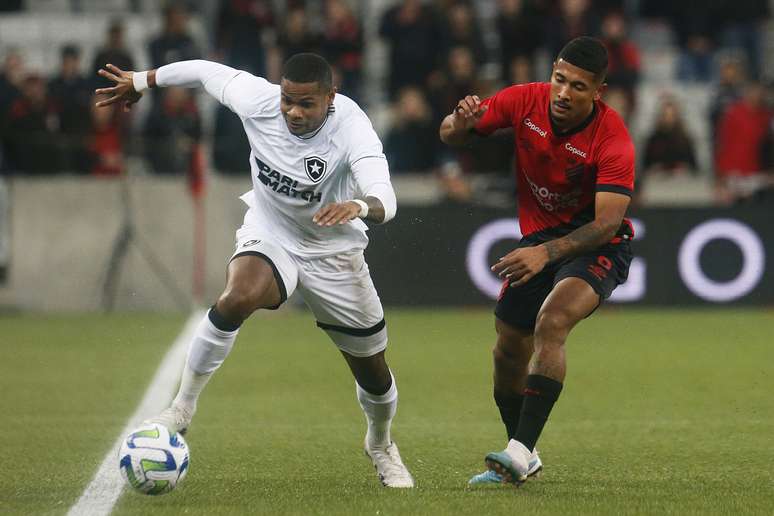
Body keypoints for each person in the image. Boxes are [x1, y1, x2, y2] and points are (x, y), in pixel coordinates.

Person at [95, 53, 414, 488]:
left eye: (306, 104)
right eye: (288, 101)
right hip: (272, 231)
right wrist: (142, 81)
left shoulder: (352, 127)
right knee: (236, 298)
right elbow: (206, 72)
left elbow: (386, 198)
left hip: (332, 251)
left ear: (330, 99)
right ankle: (182, 408)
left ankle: (380, 444)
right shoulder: (259, 102)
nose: (294, 112)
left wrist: (358, 205)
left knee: (374, 372)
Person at [440, 36, 635, 485]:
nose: (564, 93)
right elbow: (449, 135)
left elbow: (607, 223)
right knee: (508, 348)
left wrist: (545, 253)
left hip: (598, 244)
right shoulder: (524, 100)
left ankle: (519, 450)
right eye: (559, 80)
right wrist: (460, 120)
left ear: (597, 92)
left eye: (579, 87)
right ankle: (522, 452)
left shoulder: (612, 137)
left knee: (553, 320)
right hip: (540, 239)